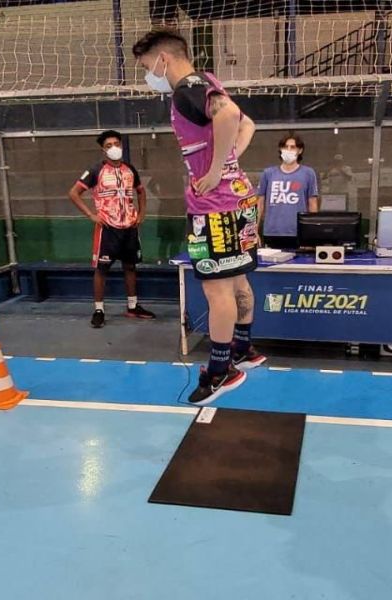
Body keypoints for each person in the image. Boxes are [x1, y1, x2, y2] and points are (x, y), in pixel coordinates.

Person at [133, 29, 267, 405]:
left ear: (163, 59)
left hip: (216, 207)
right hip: (239, 201)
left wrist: (214, 171)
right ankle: (243, 348)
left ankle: (222, 370)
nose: (148, 75)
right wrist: (227, 162)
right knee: (237, 283)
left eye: (147, 66)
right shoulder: (208, 81)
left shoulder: (186, 88)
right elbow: (247, 124)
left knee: (217, 291)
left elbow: (230, 115)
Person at [68, 129, 156, 328]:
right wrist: (91, 215)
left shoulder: (130, 169)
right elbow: (73, 193)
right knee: (102, 269)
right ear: (103, 150)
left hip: (129, 227)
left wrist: (141, 214)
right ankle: (99, 310)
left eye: (116, 144)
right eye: (109, 145)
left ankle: (132, 306)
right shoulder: (95, 170)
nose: (114, 148)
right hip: (108, 228)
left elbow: (141, 191)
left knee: (130, 266)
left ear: (121, 146)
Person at [256, 133, 320, 249]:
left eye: (293, 147)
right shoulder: (268, 173)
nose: (288, 150)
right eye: (285, 147)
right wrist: (254, 230)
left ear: (300, 150)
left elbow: (312, 204)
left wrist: (312, 233)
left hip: (298, 232)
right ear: (280, 149)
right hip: (272, 232)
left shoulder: (308, 173)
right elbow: (259, 203)